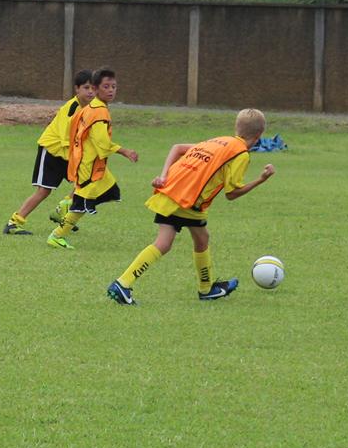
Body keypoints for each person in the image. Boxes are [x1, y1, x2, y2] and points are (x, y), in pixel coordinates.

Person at [107, 108, 276, 305]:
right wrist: (261, 179)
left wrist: (163, 176)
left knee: (197, 238)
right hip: (188, 201)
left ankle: (204, 289)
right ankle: (124, 283)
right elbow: (231, 194)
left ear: (236, 128)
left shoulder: (218, 141)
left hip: (171, 193)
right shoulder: (240, 153)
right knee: (167, 243)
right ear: (259, 136)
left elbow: (177, 147)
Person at [47, 68, 138, 249]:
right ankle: (57, 235)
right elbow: (102, 144)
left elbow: (75, 129)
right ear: (96, 89)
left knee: (108, 190)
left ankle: (67, 205)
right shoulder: (100, 112)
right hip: (88, 166)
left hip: (88, 163)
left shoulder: (91, 107)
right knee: (82, 203)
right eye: (106, 86)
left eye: (114, 86)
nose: (111, 90)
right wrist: (125, 151)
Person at [3, 69, 95, 235]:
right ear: (77, 89)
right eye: (86, 87)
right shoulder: (72, 108)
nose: (90, 91)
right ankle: (13, 223)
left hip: (67, 152)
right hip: (53, 150)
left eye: (93, 88)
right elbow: (66, 138)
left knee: (83, 184)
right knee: (44, 191)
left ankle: (62, 213)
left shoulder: (90, 109)